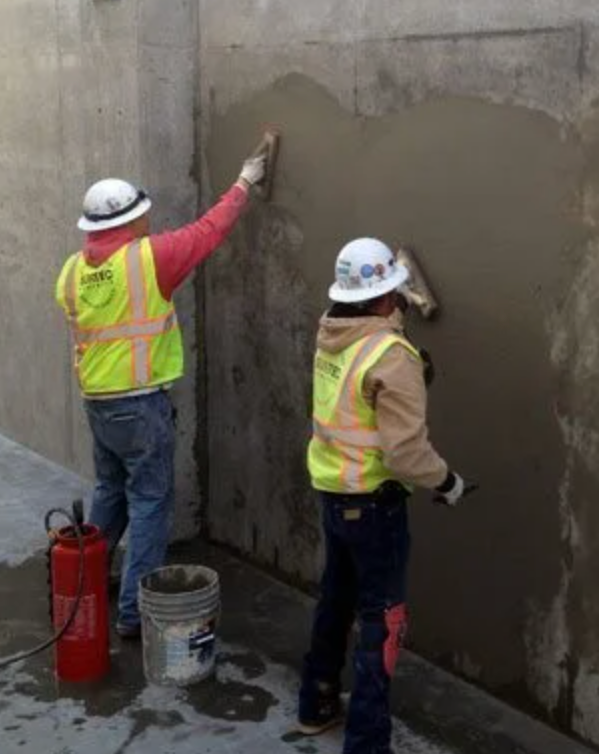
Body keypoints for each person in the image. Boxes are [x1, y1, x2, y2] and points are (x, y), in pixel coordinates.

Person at [55, 153, 266, 638]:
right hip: (140, 405)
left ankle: (86, 585)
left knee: (111, 492)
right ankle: (135, 613)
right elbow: (208, 232)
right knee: (150, 502)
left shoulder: (70, 272)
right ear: (133, 219)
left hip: (99, 404)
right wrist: (243, 184)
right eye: (143, 213)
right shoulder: (150, 258)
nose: (150, 220)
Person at [298, 237, 476, 753]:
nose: (401, 302)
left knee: (336, 600)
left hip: (333, 492)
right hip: (375, 505)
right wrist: (449, 483)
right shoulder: (392, 357)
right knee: (383, 622)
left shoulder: (330, 332)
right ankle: (367, 742)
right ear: (380, 299)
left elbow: (359, 401)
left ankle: (317, 704)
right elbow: (405, 455)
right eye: (394, 294)